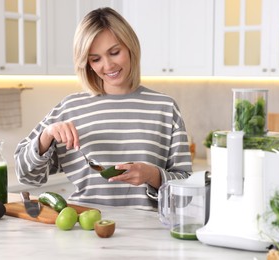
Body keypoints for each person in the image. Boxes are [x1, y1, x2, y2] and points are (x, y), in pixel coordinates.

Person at [14, 7, 192, 211]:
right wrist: (46, 137)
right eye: (95, 59)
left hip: (146, 233)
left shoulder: (165, 108)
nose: (107, 66)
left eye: (114, 52)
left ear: (130, 47)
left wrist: (153, 175)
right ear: (87, 63)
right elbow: (26, 174)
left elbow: (186, 190)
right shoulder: (71, 107)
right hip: (82, 228)